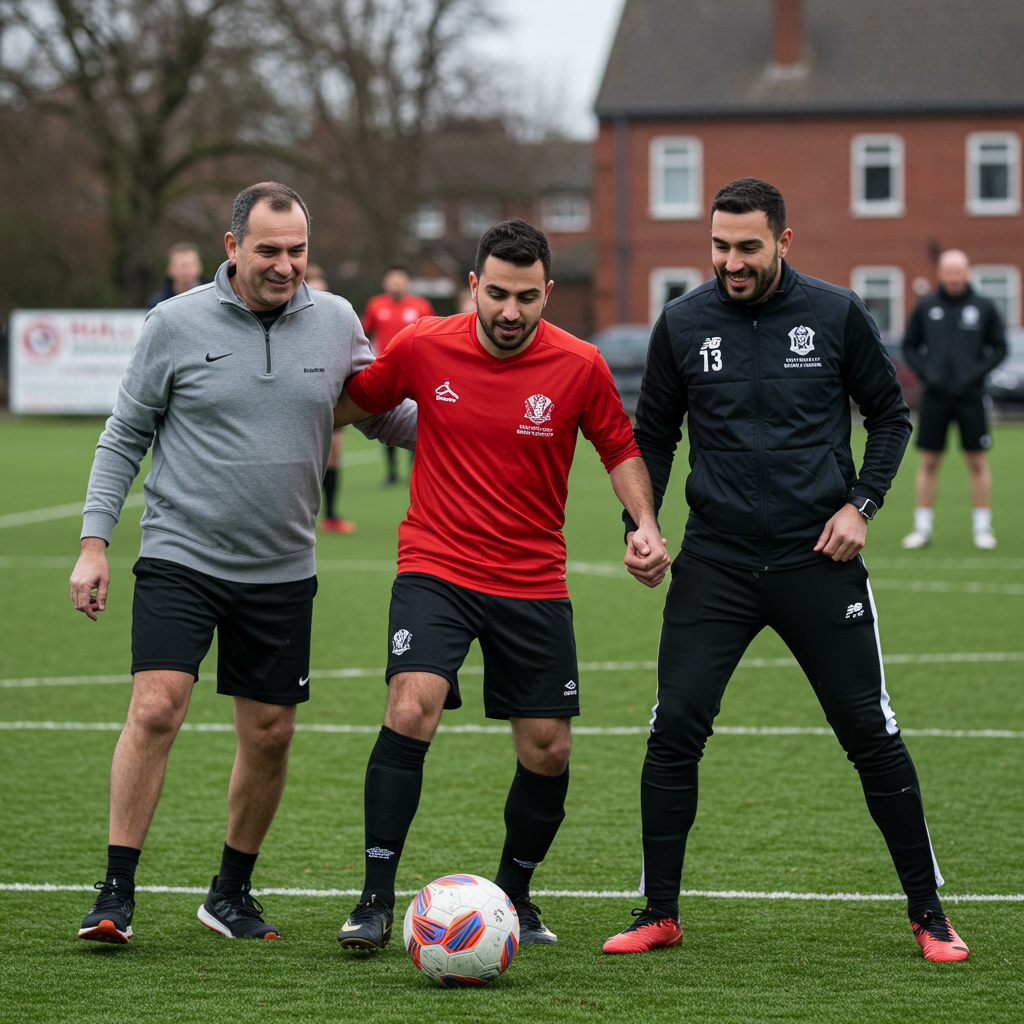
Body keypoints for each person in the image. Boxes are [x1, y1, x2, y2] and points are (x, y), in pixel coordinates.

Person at [601, 178, 968, 963]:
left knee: (869, 731)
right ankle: (658, 912)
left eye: (748, 247)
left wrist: (861, 506)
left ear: (783, 242)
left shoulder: (836, 313)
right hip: (716, 562)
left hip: (818, 558)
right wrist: (641, 526)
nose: (731, 262)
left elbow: (890, 415)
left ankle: (930, 913)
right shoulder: (683, 322)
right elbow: (653, 434)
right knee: (674, 729)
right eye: (719, 246)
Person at [70, 182, 415, 944]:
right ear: (232, 247)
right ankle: (115, 892)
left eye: (297, 250)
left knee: (270, 733)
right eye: (269, 251)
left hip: (282, 567)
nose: (286, 265)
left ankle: (229, 893)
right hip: (181, 554)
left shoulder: (337, 322)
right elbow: (125, 434)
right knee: (156, 707)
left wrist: (478, 424)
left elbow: (383, 412)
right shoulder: (174, 323)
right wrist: (95, 544)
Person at [332, 218, 670, 951]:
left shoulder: (580, 365)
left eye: (526, 297)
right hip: (436, 564)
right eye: (496, 295)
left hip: (532, 576)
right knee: (411, 706)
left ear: (547, 292)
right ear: (473, 287)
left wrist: (642, 522)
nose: (510, 312)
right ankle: (374, 900)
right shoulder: (422, 345)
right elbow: (347, 403)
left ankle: (514, 896)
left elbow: (619, 446)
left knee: (548, 748)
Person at [900, 249, 1007, 550]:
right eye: (949, 272)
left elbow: (1000, 348)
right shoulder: (926, 306)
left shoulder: (983, 307)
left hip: (971, 397)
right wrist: (927, 374)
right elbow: (909, 346)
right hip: (935, 397)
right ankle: (922, 529)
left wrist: (975, 374)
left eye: (959, 272)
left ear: (967, 273)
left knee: (977, 461)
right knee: (929, 461)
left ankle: (982, 529)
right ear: (940, 274)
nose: (954, 277)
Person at [361, 266, 434, 485]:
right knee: (387, 417)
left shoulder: (421, 305)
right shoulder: (375, 305)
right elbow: (364, 333)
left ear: (407, 282)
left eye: (400, 279)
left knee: (419, 418)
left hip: (416, 370)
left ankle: (416, 470)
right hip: (386, 372)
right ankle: (392, 473)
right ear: (386, 282)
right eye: (392, 279)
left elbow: (432, 337)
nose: (396, 283)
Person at [306, 263, 357, 533]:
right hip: (300, 403)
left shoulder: (335, 323)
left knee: (334, 452)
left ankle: (331, 515)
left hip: (331, 399)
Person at [147, 242, 208, 308]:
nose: (185, 271)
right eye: (181, 266)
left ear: (199, 267)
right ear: (170, 269)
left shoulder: (212, 297)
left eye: (190, 265)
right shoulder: (158, 304)